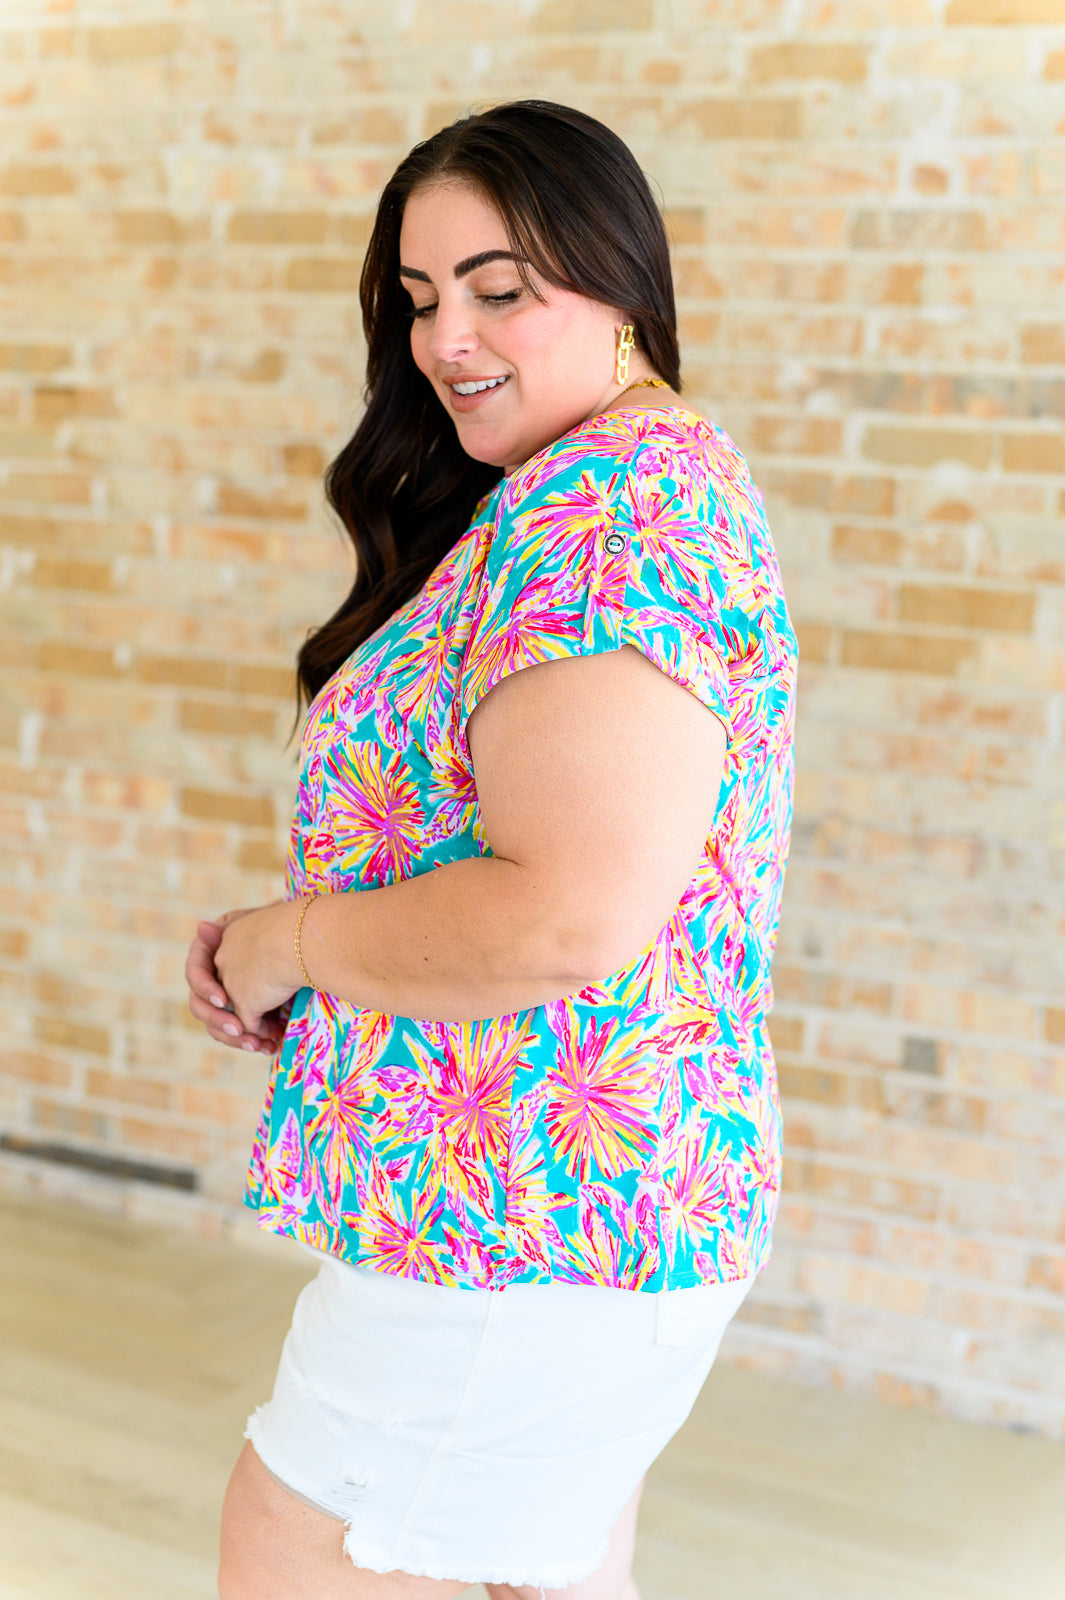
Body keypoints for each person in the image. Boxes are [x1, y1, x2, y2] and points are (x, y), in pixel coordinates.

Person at [185, 99, 797, 1600]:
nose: (445, 337)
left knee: (293, 1545)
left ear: (620, 281)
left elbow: (566, 916)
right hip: (566, 1220)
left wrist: (291, 941)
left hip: (524, 1234)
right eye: (417, 299)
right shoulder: (600, 485)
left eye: (499, 288)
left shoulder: (607, 518)